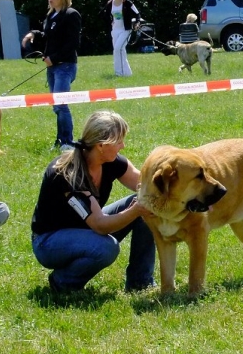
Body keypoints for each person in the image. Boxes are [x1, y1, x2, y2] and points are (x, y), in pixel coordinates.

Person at [31, 110, 156, 293]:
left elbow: (145, 185)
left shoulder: (111, 160)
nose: (123, 145)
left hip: (85, 227)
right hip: (49, 241)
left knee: (144, 200)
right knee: (107, 248)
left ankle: (140, 282)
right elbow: (99, 225)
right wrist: (135, 211)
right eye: (119, 141)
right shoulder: (68, 175)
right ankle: (63, 282)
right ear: (101, 145)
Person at [21, 0, 81, 151]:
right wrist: (33, 33)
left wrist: (54, 58)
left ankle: (68, 143)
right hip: (52, 67)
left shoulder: (71, 15)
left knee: (61, 104)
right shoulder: (51, 16)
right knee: (56, 106)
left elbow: (73, 43)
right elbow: (48, 36)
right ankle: (60, 140)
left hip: (65, 66)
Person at [100, 0, 141, 77]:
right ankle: (127, 73)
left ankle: (119, 73)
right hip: (115, 30)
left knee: (118, 48)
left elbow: (137, 14)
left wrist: (137, 23)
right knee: (118, 50)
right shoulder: (110, 3)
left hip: (125, 30)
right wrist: (110, 22)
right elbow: (103, 14)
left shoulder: (127, 2)